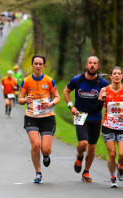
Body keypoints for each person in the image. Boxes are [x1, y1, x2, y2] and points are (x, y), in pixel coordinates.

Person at [63, 56, 109, 183]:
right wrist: (70, 106)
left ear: (98, 66)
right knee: (83, 144)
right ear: (86, 65)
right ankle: (79, 156)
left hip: (96, 116)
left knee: (92, 147)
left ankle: (86, 171)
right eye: (90, 63)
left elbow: (112, 97)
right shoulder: (77, 80)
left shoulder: (102, 83)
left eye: (95, 63)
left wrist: (106, 101)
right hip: (80, 115)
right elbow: (66, 91)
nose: (92, 65)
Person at [18, 54, 60, 184]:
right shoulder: (26, 81)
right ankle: (38, 172)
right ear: (32, 65)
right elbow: (19, 99)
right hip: (31, 116)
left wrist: (51, 103)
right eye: (35, 63)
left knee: (45, 148)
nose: (37, 66)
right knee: (35, 144)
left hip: (47, 117)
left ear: (43, 66)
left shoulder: (49, 81)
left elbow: (57, 97)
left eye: (40, 64)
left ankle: (46, 156)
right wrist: (25, 99)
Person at [98, 66, 123, 188]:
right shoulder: (105, 90)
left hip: (122, 127)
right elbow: (98, 106)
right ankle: (113, 176)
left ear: (122, 76)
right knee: (112, 153)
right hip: (108, 125)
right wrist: (101, 98)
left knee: (122, 154)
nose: (117, 75)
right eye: (115, 73)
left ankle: (121, 166)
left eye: (119, 73)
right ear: (111, 76)